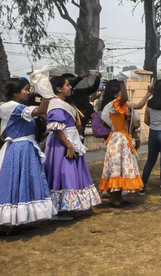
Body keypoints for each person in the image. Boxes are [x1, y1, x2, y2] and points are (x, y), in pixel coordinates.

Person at [0, 79, 56, 235]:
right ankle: (7, 223)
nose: (27, 92)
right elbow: (41, 110)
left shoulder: (10, 107)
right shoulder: (11, 107)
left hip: (22, 149)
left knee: (20, 183)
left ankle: (18, 221)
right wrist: (46, 93)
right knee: (14, 183)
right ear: (15, 92)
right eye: (25, 89)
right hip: (20, 149)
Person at [44, 75, 101, 216]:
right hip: (62, 143)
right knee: (63, 173)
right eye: (67, 85)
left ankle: (69, 205)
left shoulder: (63, 103)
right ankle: (61, 208)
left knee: (70, 172)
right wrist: (68, 145)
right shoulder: (56, 104)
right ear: (58, 89)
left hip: (69, 140)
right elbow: (57, 128)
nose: (70, 87)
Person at [98, 79, 146, 207]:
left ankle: (118, 197)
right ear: (116, 94)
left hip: (118, 138)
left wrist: (149, 93)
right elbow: (125, 98)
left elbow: (140, 105)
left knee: (120, 168)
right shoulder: (115, 104)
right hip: (119, 139)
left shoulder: (111, 106)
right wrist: (122, 83)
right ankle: (114, 199)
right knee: (117, 167)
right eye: (121, 91)